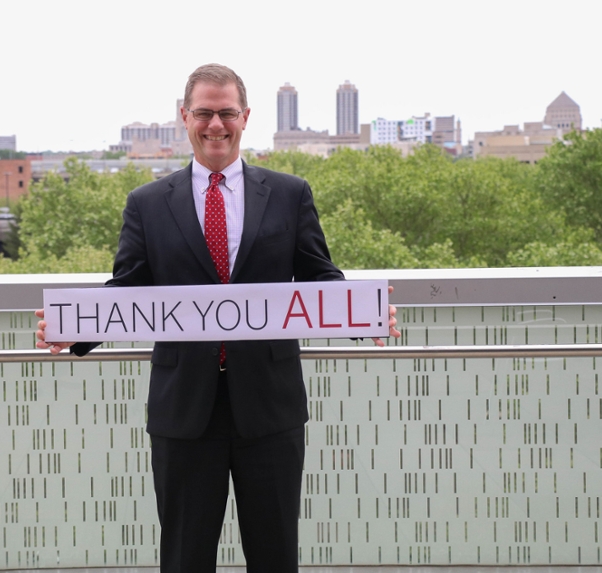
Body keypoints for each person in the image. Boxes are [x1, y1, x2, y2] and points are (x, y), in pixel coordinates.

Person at [36, 63, 400, 572]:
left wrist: (366, 315)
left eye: (226, 113)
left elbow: (320, 277)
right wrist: (72, 331)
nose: (215, 125)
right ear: (184, 116)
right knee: (186, 559)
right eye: (204, 113)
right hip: (184, 410)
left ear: (245, 117)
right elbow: (130, 292)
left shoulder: (290, 194)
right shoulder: (146, 204)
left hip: (269, 408)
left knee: (275, 558)